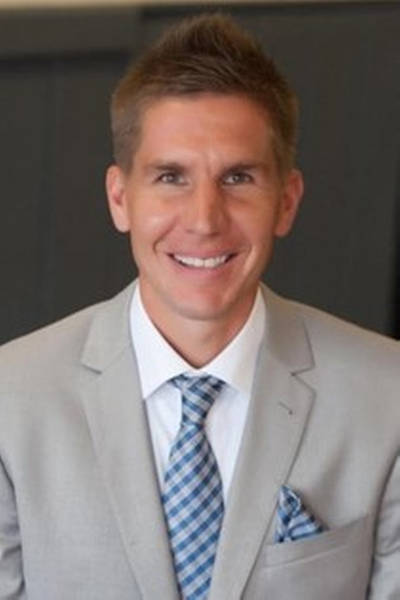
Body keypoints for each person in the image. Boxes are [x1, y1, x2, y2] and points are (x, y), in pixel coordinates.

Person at [0, 13, 398, 600]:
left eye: (238, 177)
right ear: (119, 198)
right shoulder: (11, 400)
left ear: (285, 202)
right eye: (170, 177)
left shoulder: (388, 397)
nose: (205, 219)